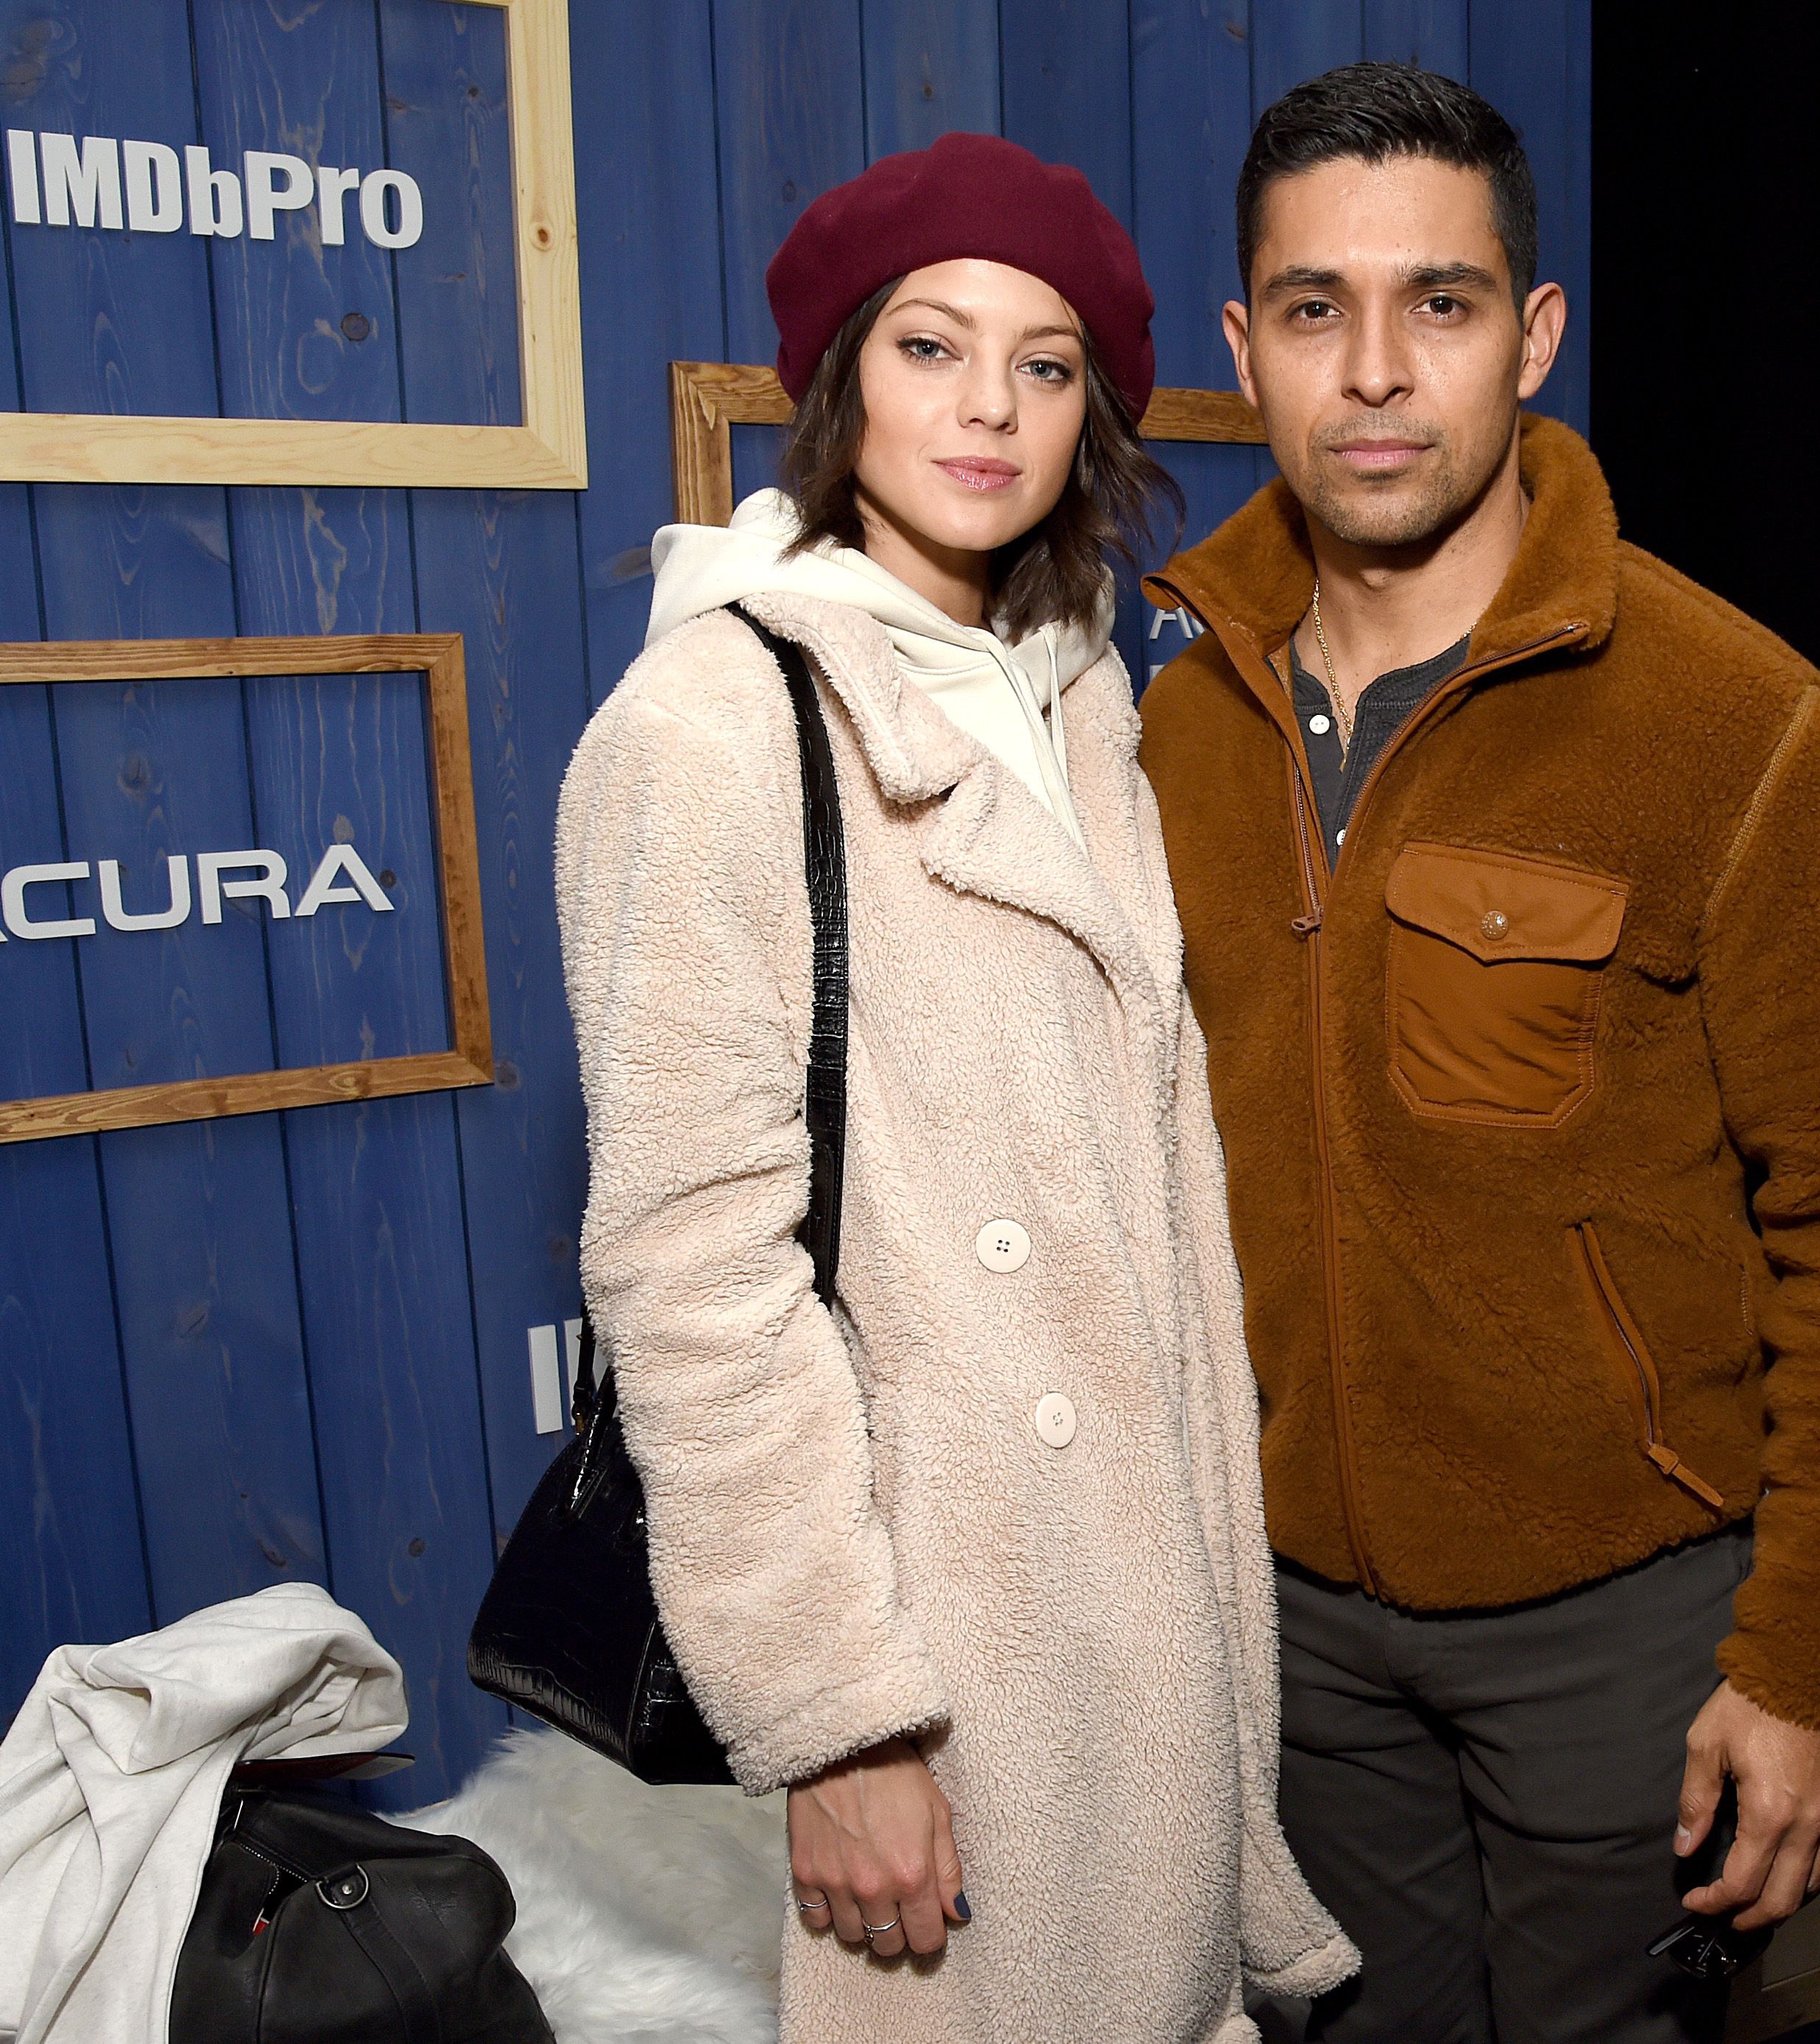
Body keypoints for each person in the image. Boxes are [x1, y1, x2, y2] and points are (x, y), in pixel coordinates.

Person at [1137, 64, 1820, 2044]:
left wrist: (1817, 1665)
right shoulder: (1166, 732)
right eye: (1313, 309)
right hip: (1287, 1624)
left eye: (1439, 304)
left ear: (1534, 335)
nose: (1373, 370)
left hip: (1629, 1627)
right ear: (1243, 348)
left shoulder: (1748, 724)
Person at [553, 132, 1357, 2043]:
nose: (991, 406)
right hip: (942, 1623)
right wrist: (838, 1718)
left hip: (1135, 1607)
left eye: (1048, 361)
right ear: (839, 376)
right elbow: (693, 1273)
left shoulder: (1080, 698)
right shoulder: (712, 721)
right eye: (931, 345)